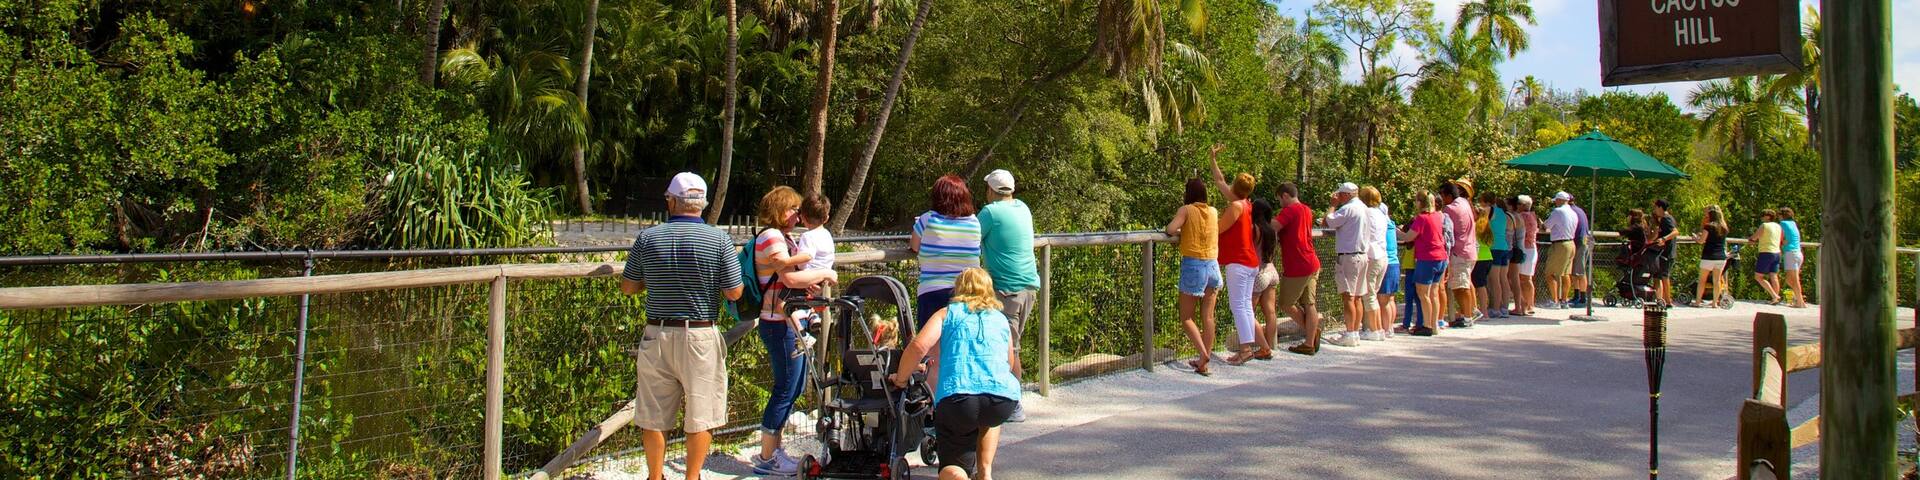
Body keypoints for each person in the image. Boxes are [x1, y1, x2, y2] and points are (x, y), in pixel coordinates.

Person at [620, 173, 744, 480]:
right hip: (700, 334)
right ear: (701, 204)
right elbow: (734, 291)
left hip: (657, 333)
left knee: (653, 415)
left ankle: (655, 476)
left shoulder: (648, 238)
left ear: (672, 201)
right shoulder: (719, 239)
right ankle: (692, 477)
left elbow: (628, 287)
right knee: (701, 417)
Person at [890, 268, 1021, 480]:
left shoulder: (947, 313)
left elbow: (919, 346)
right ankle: (985, 472)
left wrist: (902, 378)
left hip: (958, 399)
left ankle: (960, 474)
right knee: (988, 417)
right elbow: (1009, 362)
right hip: (1001, 400)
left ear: (958, 288)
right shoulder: (1000, 319)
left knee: (951, 467)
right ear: (989, 290)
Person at [749, 186, 832, 476]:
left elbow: (791, 277)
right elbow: (787, 275)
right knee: (785, 388)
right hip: (777, 321)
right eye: (792, 209)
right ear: (779, 210)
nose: (797, 214)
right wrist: (822, 273)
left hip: (786, 318)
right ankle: (767, 456)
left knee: (793, 386)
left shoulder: (783, 237)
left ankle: (774, 450)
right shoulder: (772, 236)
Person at [976, 169, 1039, 422]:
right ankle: (1002, 398)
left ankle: (1014, 404)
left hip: (1006, 290)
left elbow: (971, 237)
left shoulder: (990, 213)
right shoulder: (1022, 207)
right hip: (1028, 288)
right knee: (1011, 345)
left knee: (1008, 348)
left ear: (991, 190)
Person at [911, 174, 984, 391]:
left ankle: (935, 408)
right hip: (966, 293)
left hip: (932, 292)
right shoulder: (974, 222)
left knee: (933, 354)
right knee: (962, 349)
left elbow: (914, 246)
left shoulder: (927, 219)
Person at [1208, 145, 1265, 363]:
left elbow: (1218, 228)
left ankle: (1245, 349)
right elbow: (1220, 182)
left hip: (1239, 262)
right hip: (1250, 262)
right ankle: (1248, 347)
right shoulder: (1246, 203)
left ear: (1236, 186)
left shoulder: (1235, 207)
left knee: (1238, 306)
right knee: (1245, 307)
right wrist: (1213, 160)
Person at [1166, 178, 1223, 375]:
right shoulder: (1214, 211)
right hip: (1213, 265)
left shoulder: (1186, 210)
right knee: (1208, 316)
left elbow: (1171, 230)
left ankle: (1203, 353)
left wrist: (1182, 231)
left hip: (1194, 265)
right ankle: (1203, 361)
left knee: (1186, 317)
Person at [1271, 183, 1326, 354]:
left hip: (1298, 264)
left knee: (1286, 303)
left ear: (1285, 195)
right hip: (1312, 261)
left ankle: (1312, 332)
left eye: (1279, 199)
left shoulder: (1289, 210)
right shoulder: (1306, 210)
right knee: (1309, 303)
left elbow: (1274, 226)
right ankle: (1309, 342)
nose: (1280, 203)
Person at [1322, 182, 1379, 346]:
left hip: (1348, 256)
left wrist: (1332, 206)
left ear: (1347, 194)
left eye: (1340, 194)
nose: (1338, 197)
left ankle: (1350, 333)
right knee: (1358, 297)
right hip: (1362, 256)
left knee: (1348, 296)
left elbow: (1328, 222)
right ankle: (1354, 332)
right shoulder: (1365, 209)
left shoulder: (1348, 208)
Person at [1400, 191, 1449, 336]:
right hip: (1441, 257)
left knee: (1423, 293)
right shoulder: (1437, 217)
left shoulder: (1421, 218)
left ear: (1420, 202)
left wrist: (1395, 231)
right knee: (1434, 293)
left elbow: (1409, 237)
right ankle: (1434, 325)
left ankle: (1426, 326)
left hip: (1427, 258)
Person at [1249, 198, 1289, 355]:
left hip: (1259, 273)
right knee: (1270, 312)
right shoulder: (1272, 230)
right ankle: (1271, 344)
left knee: (1247, 311)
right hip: (1272, 271)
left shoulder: (1254, 229)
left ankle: (1262, 346)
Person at [1440, 180, 1479, 328]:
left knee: (1460, 287)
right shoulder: (1465, 203)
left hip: (1459, 252)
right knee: (1465, 283)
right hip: (1471, 249)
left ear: (1449, 195)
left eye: (1443, 196)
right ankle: (1465, 314)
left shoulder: (1450, 209)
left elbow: (1446, 231)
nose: (1442, 200)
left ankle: (1467, 316)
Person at [1366, 187, 1399, 340]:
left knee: (1381, 298)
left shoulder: (1374, 218)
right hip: (1391, 261)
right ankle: (1388, 328)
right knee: (1389, 298)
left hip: (1385, 261)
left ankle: (1379, 328)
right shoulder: (1389, 223)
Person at [1543, 192, 1580, 309]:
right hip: (1571, 243)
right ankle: (1564, 300)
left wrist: (1541, 224)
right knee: (1565, 273)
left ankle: (1555, 301)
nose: (1555, 202)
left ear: (1560, 200)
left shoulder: (1558, 212)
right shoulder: (1573, 213)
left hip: (1560, 245)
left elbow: (1547, 225)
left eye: (1556, 200)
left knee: (1550, 273)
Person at [1693, 206, 1732, 308]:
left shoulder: (1708, 226)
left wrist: (1695, 238)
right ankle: (1714, 303)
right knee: (1717, 280)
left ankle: (1697, 302)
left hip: (1708, 256)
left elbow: (1702, 241)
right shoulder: (1724, 227)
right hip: (1721, 257)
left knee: (1702, 280)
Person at [1510, 195, 1540, 316]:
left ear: (1523, 205)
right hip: (1531, 249)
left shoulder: (1523, 216)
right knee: (1527, 278)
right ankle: (1529, 304)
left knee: (1522, 278)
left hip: (1525, 249)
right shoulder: (1533, 215)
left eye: (1518, 204)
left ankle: (1524, 305)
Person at [1750, 209, 1785, 305]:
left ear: (1768, 216)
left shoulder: (1764, 225)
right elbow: (1782, 239)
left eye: (1763, 215)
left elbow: (1755, 237)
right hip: (1777, 253)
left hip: (1766, 252)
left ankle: (1774, 296)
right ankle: (1775, 298)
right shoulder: (1779, 226)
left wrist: (1751, 240)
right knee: (1773, 275)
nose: (1761, 217)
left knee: (1758, 277)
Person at [1650, 199, 1680, 308]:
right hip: (1663, 252)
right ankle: (1660, 299)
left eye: (1655, 208)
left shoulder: (1666, 218)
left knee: (1665, 276)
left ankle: (1668, 300)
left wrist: (1664, 238)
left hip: (1668, 253)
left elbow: (1676, 232)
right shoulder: (1663, 219)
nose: (1654, 210)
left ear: (1660, 208)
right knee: (1658, 276)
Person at [1778, 207, 1807, 308]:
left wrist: (1781, 243)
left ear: (1782, 215)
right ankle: (1798, 299)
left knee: (1794, 280)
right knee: (1789, 280)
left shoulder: (1783, 224)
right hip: (1798, 253)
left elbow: (1780, 238)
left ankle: (1800, 302)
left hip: (1791, 253)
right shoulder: (1793, 224)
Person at [1569, 195, 1593, 308]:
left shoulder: (1571, 211)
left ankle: (1583, 298)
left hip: (1580, 242)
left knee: (1580, 271)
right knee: (1575, 271)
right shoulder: (1579, 210)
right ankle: (1577, 295)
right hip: (1582, 241)